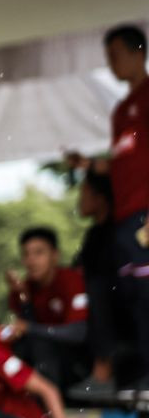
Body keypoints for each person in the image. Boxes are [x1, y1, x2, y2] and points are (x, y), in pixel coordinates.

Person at [66, 24, 149, 392]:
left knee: (146, 292)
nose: (112, 63)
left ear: (139, 52)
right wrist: (88, 165)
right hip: (126, 217)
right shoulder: (121, 111)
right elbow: (122, 161)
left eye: (116, 54)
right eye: (108, 57)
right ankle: (131, 371)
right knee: (131, 294)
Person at [3, 227, 89, 391]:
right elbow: (26, 333)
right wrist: (23, 298)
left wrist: (30, 328)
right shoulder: (25, 288)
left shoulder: (71, 280)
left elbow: (79, 333)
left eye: (38, 253)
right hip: (47, 364)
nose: (31, 260)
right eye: (26, 254)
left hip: (78, 363)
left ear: (55, 256)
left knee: (41, 343)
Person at [73, 170, 130, 397]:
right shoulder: (94, 234)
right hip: (99, 311)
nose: (80, 199)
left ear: (100, 197)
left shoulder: (121, 231)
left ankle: (103, 370)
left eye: (84, 193)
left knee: (97, 288)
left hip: (123, 308)